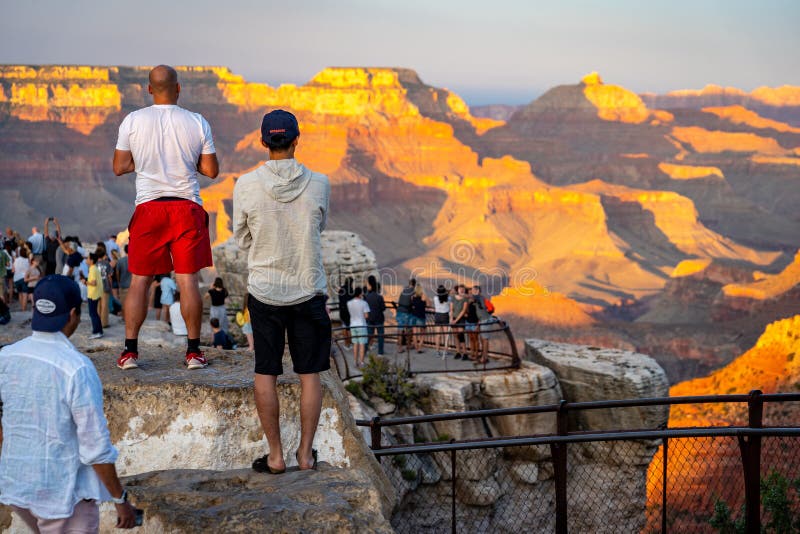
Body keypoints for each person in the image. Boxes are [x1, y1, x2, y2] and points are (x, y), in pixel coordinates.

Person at [233, 109, 331, 473]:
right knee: (310, 375)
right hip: (307, 289)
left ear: (263, 143)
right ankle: (305, 455)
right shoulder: (320, 182)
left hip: (265, 292)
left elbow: (242, 237)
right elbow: (319, 226)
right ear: (296, 140)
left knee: (265, 372)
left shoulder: (245, 184)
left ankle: (275, 456)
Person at [0, 275, 138, 530]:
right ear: (74, 313)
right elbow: (95, 446)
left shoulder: (7, 356)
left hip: (19, 485)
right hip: (62, 494)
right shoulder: (76, 368)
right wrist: (120, 499)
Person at [113, 64, 219, 371]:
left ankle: (130, 352)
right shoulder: (197, 122)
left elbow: (119, 166)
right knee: (188, 281)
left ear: (148, 89)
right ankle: (194, 352)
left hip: (149, 208)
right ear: (179, 88)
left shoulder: (133, 121)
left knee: (140, 281)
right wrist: (187, 162)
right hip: (186, 207)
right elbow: (211, 171)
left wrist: (145, 162)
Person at [472, 285, 496, 364]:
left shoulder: (479, 298)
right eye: (473, 290)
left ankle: (484, 358)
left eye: (475, 290)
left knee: (484, 340)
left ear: (479, 291)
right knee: (483, 339)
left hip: (485, 320)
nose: (474, 292)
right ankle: (484, 356)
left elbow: (491, 308)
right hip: (483, 320)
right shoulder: (480, 298)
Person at [347, 287, 370, 367]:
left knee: (355, 344)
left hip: (353, 325)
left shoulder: (349, 303)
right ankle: (362, 362)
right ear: (360, 294)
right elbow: (366, 316)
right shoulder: (364, 303)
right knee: (362, 344)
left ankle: (355, 361)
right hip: (361, 325)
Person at [364, 275, 386, 356]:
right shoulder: (379, 297)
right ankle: (380, 352)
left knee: (369, 335)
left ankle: (365, 351)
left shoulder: (366, 297)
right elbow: (383, 308)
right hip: (379, 318)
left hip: (370, 318)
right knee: (380, 336)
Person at [86, 253, 104, 339]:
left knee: (92, 314)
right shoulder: (94, 268)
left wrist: (85, 282)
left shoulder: (93, 269)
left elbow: (94, 283)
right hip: (95, 293)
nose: (87, 260)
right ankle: (99, 331)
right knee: (94, 313)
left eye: (88, 258)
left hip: (93, 294)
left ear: (92, 260)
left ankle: (96, 332)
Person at [396, 278, 416, 349]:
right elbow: (413, 302)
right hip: (407, 313)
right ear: (414, 284)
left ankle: (399, 347)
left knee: (400, 329)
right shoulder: (413, 291)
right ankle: (408, 345)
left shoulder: (404, 290)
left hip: (399, 311)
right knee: (409, 329)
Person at [451, 284, 469, 360]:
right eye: (460, 288)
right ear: (457, 290)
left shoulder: (465, 299)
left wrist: (456, 320)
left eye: (463, 289)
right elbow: (451, 309)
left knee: (461, 335)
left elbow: (463, 311)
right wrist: (451, 318)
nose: (461, 290)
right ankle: (458, 352)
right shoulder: (453, 298)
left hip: (460, 319)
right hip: (454, 318)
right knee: (455, 335)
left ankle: (465, 353)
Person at [410, 284, 428, 354]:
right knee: (423, 332)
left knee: (415, 333)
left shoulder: (412, 297)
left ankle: (416, 347)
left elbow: (412, 305)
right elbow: (429, 304)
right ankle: (419, 347)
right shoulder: (423, 296)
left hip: (413, 316)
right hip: (421, 316)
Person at [433, 284, 451, 358]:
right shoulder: (448, 299)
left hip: (437, 316)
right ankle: (445, 350)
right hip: (445, 316)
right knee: (446, 335)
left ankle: (437, 351)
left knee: (438, 335)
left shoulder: (435, 298)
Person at [337, 277, 354, 347]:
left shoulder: (341, 289)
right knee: (349, 327)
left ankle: (346, 343)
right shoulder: (351, 290)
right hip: (349, 311)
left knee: (344, 327)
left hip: (342, 310)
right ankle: (350, 342)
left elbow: (340, 298)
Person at [12, 247, 30, 312]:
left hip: (16, 279)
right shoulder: (27, 260)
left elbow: (13, 270)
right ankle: (24, 309)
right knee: (25, 294)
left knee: (20, 293)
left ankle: (21, 306)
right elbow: (29, 270)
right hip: (24, 278)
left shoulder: (16, 260)